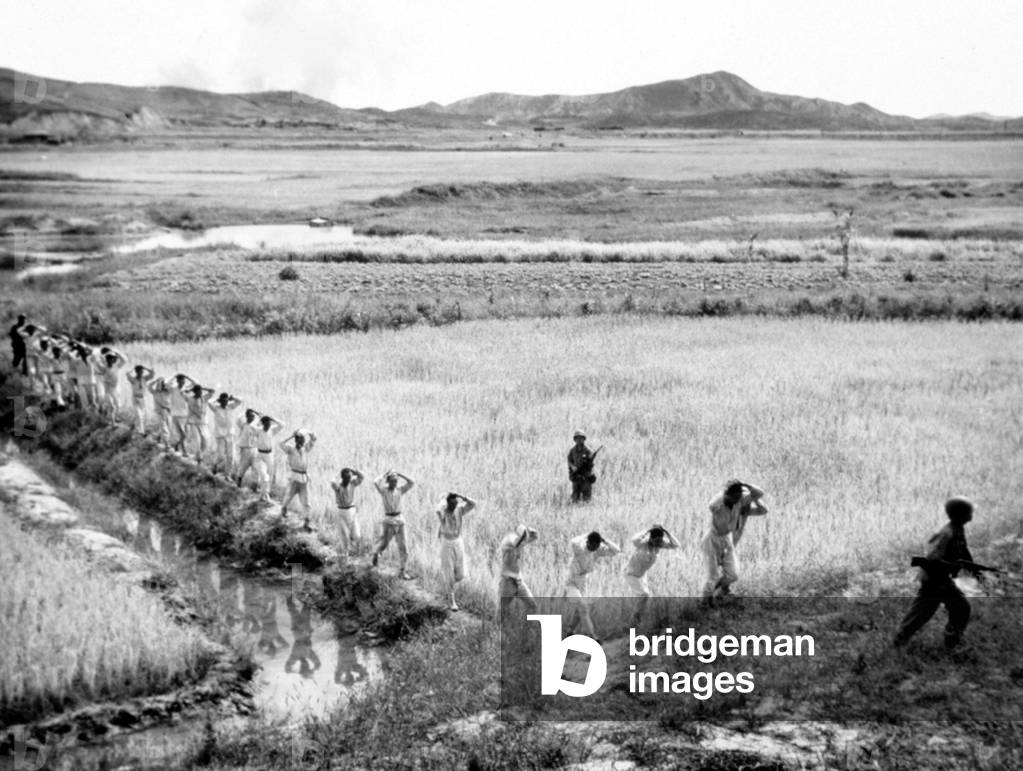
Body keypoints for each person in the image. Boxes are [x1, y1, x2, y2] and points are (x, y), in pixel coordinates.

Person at [894, 497, 983, 650]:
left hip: (941, 578)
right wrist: (954, 566)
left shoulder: (958, 529)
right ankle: (949, 642)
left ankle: (951, 641)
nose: (971, 516)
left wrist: (974, 569)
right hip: (934, 578)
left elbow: (964, 551)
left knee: (952, 609)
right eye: (969, 513)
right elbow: (932, 558)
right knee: (928, 611)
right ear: (961, 515)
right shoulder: (946, 533)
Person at [701, 479, 767, 604]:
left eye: (739, 497)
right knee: (712, 576)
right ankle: (706, 601)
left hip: (727, 539)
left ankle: (716, 591)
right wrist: (725, 492)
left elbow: (759, 493)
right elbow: (711, 505)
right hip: (712, 539)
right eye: (734, 497)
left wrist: (744, 484)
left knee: (733, 575)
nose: (737, 500)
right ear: (727, 495)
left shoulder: (740, 501)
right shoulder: (718, 504)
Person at [564, 531, 621, 639]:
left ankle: (570, 631)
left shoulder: (597, 551)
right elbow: (573, 542)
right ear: (588, 542)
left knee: (580, 610)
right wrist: (586, 535)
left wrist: (605, 541)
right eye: (592, 545)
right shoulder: (579, 548)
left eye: (596, 546)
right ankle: (592, 635)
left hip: (582, 582)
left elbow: (616, 551)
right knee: (583, 607)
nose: (594, 548)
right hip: (571, 583)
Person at [625, 525, 680, 625]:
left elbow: (676, 545)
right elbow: (634, 539)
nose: (658, 543)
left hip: (642, 575)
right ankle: (633, 622)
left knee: (643, 598)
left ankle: (636, 620)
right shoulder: (642, 543)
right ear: (651, 538)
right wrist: (647, 530)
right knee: (644, 595)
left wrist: (667, 532)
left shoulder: (659, 545)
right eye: (656, 541)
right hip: (631, 574)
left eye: (660, 540)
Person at [436, 491, 478, 611]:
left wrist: (462, 496)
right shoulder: (443, 511)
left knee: (460, 574)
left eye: (456, 503)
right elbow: (438, 510)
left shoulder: (459, 509)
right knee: (449, 572)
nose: (454, 505)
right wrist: (444, 498)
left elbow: (473, 504)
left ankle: (447, 584)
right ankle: (452, 601)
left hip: (458, 542)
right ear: (447, 503)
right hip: (447, 543)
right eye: (452, 503)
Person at [371, 470, 415, 579]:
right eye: (392, 481)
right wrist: (384, 474)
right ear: (388, 481)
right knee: (384, 544)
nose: (394, 483)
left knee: (404, 547)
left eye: (396, 481)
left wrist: (400, 473)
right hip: (389, 520)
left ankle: (402, 571)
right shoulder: (384, 491)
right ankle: (376, 553)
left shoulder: (399, 490)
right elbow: (375, 482)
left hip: (400, 520)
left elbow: (412, 482)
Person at [498, 524, 540, 614]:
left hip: (519, 582)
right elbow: (515, 543)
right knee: (502, 612)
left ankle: (527, 622)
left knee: (533, 606)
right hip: (507, 583)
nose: (524, 542)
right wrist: (525, 536)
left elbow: (535, 537)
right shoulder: (508, 541)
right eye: (523, 539)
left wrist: (531, 532)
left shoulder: (520, 542)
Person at [280, 429, 316, 523]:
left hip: (304, 478)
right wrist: (291, 436)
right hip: (294, 477)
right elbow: (281, 443)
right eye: (301, 439)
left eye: (303, 439)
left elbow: (314, 439)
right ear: (296, 440)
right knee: (289, 496)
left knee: (306, 501)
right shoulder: (290, 449)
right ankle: (284, 508)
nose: (303, 441)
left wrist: (309, 432)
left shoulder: (305, 449)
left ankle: (307, 520)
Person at [330, 467, 365, 556]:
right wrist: (338, 474)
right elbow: (332, 482)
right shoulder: (338, 486)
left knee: (357, 535)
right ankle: (345, 555)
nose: (348, 479)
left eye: (349, 477)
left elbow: (362, 477)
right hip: (341, 511)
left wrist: (354, 471)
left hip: (352, 511)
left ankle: (355, 552)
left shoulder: (352, 483)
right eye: (346, 478)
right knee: (344, 536)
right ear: (342, 478)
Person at [209, 392, 243, 475]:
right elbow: (209, 402)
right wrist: (217, 399)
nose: (225, 402)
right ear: (220, 401)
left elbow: (240, 401)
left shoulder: (230, 407)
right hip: (220, 435)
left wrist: (233, 397)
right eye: (223, 400)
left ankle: (228, 474)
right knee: (221, 456)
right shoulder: (216, 408)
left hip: (230, 435)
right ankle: (214, 465)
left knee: (231, 456)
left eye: (226, 400)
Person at [254, 414, 284, 502]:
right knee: (264, 475)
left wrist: (273, 418)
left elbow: (282, 425)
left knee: (269, 475)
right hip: (260, 455)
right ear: (263, 424)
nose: (268, 426)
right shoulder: (258, 430)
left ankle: (263, 495)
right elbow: (252, 427)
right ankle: (265, 495)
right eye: (266, 424)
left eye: (269, 424)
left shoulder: (272, 430)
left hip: (269, 455)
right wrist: (259, 419)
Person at [185, 382, 215, 463]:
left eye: (201, 392)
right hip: (194, 422)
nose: (200, 393)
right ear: (195, 392)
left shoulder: (204, 398)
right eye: (198, 392)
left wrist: (203, 388)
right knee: (197, 440)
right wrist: (191, 389)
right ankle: (199, 458)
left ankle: (199, 455)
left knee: (205, 440)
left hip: (202, 423)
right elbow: (183, 392)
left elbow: (212, 391)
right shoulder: (190, 399)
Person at [567, 430, 598, 502]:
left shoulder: (588, 450)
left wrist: (590, 460)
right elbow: (569, 460)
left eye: (581, 438)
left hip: (586, 477)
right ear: (575, 439)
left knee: (587, 500)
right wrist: (572, 467)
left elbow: (591, 464)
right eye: (577, 438)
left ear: (584, 439)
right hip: (576, 476)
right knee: (575, 498)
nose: (579, 440)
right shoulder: (572, 450)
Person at [235, 408, 260, 489]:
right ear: (247, 416)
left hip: (254, 449)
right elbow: (238, 419)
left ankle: (254, 486)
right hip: (245, 449)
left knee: (256, 468)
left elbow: (262, 418)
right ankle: (238, 482)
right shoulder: (243, 425)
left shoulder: (256, 426)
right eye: (250, 416)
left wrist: (256, 412)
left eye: (253, 416)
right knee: (243, 467)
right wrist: (245, 411)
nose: (252, 418)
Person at [126, 364, 154, 434]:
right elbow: (127, 373)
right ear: (137, 372)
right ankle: (141, 432)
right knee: (139, 415)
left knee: (142, 415)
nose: (142, 373)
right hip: (136, 399)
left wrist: (145, 368)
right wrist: (133, 368)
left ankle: (134, 424)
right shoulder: (133, 380)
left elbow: (152, 373)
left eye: (142, 372)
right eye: (140, 372)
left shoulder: (145, 378)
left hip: (143, 399)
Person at [99, 348, 126, 421]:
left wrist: (117, 352)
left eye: (113, 358)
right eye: (110, 358)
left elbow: (124, 360)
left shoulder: (117, 366)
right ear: (107, 359)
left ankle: (116, 417)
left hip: (116, 388)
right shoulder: (104, 367)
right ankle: (110, 419)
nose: (112, 360)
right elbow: (98, 362)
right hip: (108, 389)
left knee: (118, 405)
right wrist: (104, 355)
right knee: (111, 405)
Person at [168, 374, 193, 454]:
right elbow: (166, 384)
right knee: (183, 434)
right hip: (176, 415)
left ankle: (176, 444)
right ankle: (184, 452)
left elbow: (196, 383)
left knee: (186, 434)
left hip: (185, 415)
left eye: (184, 381)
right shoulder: (173, 389)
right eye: (181, 381)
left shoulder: (186, 389)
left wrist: (188, 377)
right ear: (178, 381)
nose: (183, 383)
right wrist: (174, 376)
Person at [148, 377, 174, 446]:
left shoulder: (168, 392)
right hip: (159, 412)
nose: (162, 385)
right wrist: (155, 380)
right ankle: (167, 444)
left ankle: (159, 439)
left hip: (168, 411)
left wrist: (166, 382)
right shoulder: (155, 392)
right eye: (161, 383)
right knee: (164, 427)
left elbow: (171, 386)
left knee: (168, 427)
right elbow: (149, 386)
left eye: (163, 384)